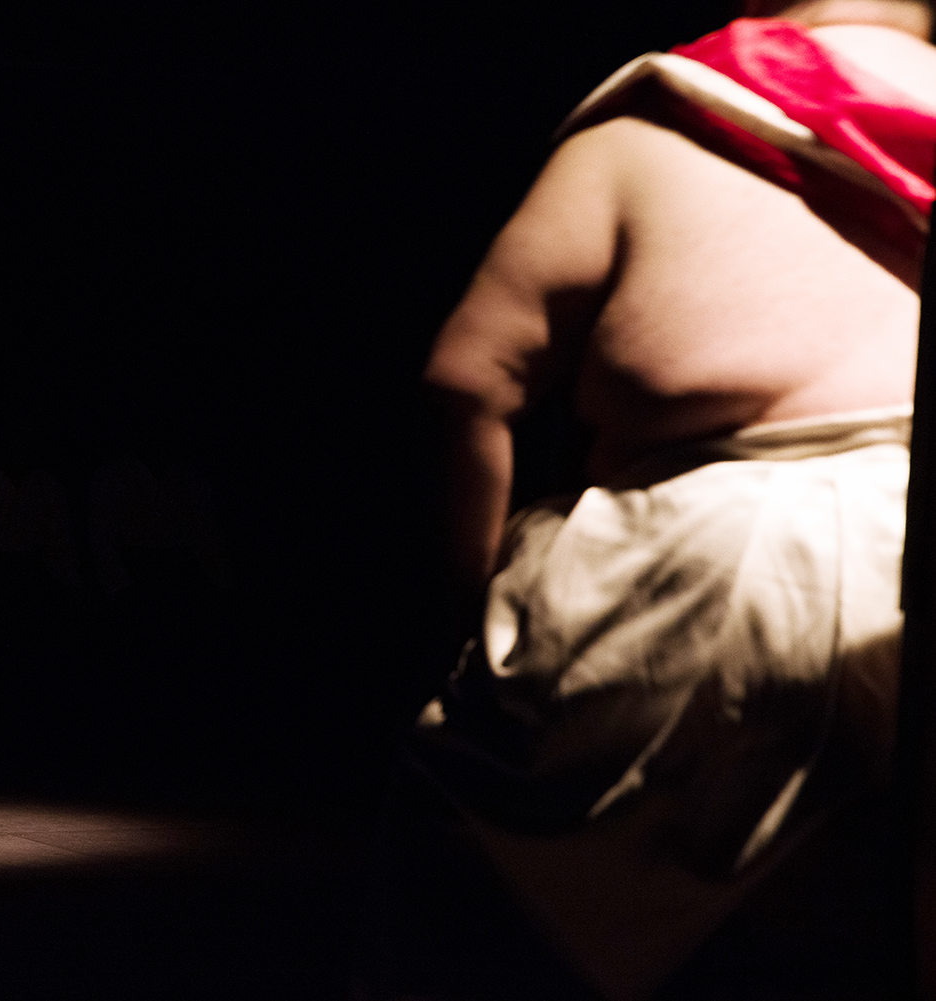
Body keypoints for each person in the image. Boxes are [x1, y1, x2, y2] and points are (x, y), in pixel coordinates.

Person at [361, 2, 936, 997]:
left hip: (681, 591)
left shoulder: (654, 121)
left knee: (456, 856)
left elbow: (467, 380)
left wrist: (465, 620)